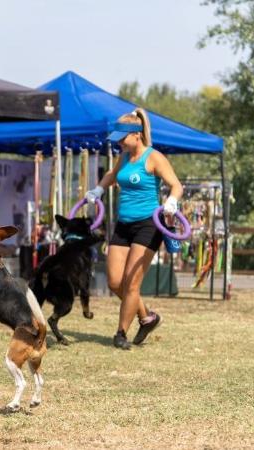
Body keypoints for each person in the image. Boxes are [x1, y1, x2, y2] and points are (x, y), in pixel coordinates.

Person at [84, 108, 183, 350]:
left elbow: (176, 185)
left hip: (148, 226)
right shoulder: (125, 157)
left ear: (136, 135)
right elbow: (113, 174)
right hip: (123, 225)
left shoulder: (154, 157)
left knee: (131, 283)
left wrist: (171, 201)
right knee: (115, 282)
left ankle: (120, 333)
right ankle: (147, 317)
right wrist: (98, 190)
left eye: (122, 137)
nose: (118, 142)